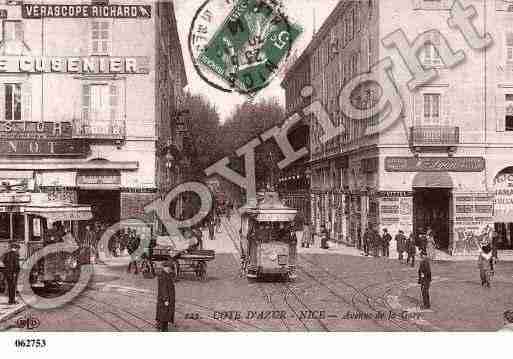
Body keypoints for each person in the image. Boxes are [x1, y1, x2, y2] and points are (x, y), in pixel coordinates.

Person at [156, 260, 176, 332]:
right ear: (165, 268)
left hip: (164, 299)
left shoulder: (165, 274)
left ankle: (160, 325)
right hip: (165, 299)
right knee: (165, 313)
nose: (170, 269)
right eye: (169, 268)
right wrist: (166, 299)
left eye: (170, 268)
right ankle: (163, 328)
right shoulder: (163, 276)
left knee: (162, 313)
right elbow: (163, 289)